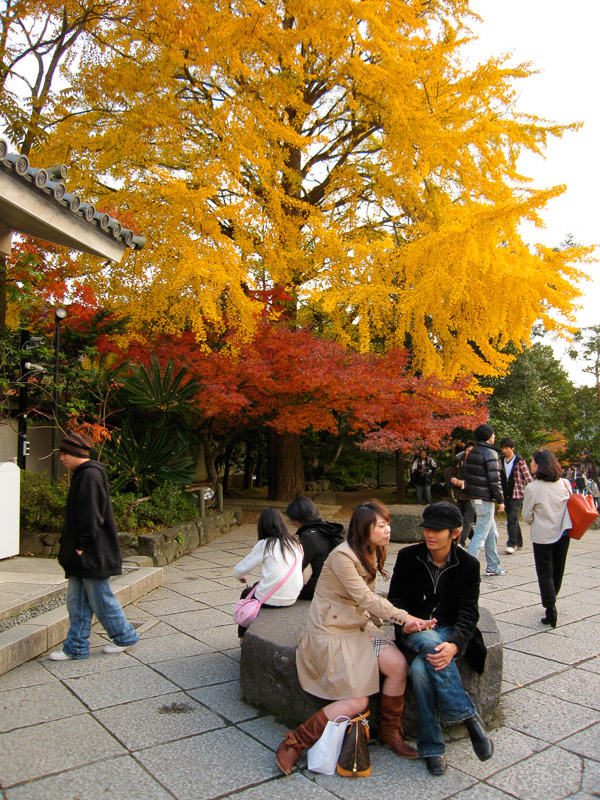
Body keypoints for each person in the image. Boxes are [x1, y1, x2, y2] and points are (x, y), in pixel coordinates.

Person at [276, 500, 434, 775]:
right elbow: (365, 597)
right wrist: (405, 618)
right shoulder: (342, 556)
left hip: (360, 628)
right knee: (358, 701)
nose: (388, 530)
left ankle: (389, 732)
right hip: (333, 632)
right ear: (364, 529)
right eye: (382, 525)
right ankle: (295, 742)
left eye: (388, 524)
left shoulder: (370, 551)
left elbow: (367, 601)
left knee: (397, 666)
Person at [388, 502, 493, 776]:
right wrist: (406, 622)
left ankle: (433, 747)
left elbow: (469, 613)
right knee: (427, 641)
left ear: (455, 533)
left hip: (448, 631)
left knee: (421, 671)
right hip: (413, 630)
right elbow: (396, 600)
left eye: (437, 530)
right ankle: (468, 716)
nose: (429, 535)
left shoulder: (469, 565)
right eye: (427, 529)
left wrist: (456, 644)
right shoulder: (408, 557)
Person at [50, 433, 140, 660]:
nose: (62, 458)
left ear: (76, 454)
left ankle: (124, 636)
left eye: (65, 453)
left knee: (100, 598)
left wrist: (79, 546)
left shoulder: (88, 476)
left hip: (91, 552)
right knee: (77, 600)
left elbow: (91, 516)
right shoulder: (86, 474)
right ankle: (76, 647)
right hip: (87, 552)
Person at [233, 507, 303, 638]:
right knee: (256, 586)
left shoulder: (265, 544)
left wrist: (240, 577)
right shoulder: (296, 543)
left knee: (246, 594)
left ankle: (242, 637)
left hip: (271, 599)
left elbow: (239, 570)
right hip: (293, 596)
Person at [522, 450, 571, 628]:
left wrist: (538, 519)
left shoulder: (532, 488)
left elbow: (526, 516)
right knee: (558, 570)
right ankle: (552, 599)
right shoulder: (565, 484)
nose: (531, 465)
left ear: (540, 465)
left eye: (533, 462)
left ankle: (550, 608)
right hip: (564, 533)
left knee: (545, 573)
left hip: (542, 536)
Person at [464, 424, 506, 576]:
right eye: (493, 434)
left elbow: (466, 475)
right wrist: (500, 500)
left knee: (492, 533)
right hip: (486, 498)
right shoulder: (490, 454)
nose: (494, 437)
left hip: (475, 497)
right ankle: (465, 568)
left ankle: (493, 566)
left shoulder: (473, 453)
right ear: (488, 436)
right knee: (481, 534)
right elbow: (495, 480)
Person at [285, 496, 345, 599]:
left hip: (319, 588)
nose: (292, 523)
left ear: (299, 518)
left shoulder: (308, 537)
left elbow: (296, 567)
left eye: (292, 519)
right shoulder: (326, 529)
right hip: (336, 584)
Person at [500, 437, 533, 554]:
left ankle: (511, 543)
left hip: (517, 494)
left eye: (507, 448)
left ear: (512, 448)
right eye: (503, 448)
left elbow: (528, 477)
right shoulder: (501, 461)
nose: (504, 451)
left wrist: (533, 491)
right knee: (512, 517)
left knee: (512, 518)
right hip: (505, 493)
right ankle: (519, 541)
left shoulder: (520, 461)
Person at [449, 440, 477, 545]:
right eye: (468, 450)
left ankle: (461, 542)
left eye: (472, 451)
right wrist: (452, 479)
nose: (469, 453)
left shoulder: (477, 464)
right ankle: (474, 537)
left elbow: (477, 480)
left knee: (467, 520)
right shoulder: (458, 460)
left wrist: (462, 483)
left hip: (471, 495)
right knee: (460, 519)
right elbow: (451, 473)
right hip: (459, 494)